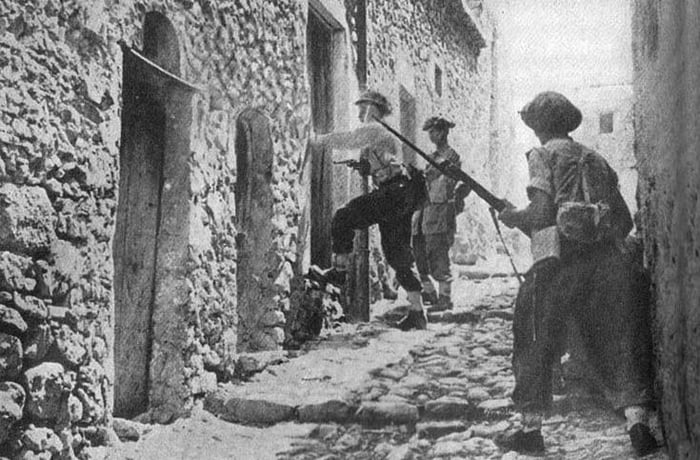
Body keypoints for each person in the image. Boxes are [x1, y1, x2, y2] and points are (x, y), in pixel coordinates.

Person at [495, 91, 658, 457]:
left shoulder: (542, 154)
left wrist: (512, 217)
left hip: (560, 263)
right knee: (621, 340)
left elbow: (540, 215)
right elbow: (624, 218)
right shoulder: (595, 158)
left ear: (538, 126)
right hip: (607, 263)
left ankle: (530, 430)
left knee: (533, 333)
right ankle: (637, 425)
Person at [306, 90, 429, 330]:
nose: (360, 112)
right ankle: (418, 312)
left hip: (392, 193)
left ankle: (339, 273)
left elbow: (349, 139)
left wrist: (317, 140)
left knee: (343, 217)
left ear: (375, 108)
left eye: (363, 107)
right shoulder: (381, 132)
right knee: (397, 253)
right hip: (399, 193)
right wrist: (364, 166)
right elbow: (383, 162)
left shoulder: (376, 128)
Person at [411, 117, 470, 310]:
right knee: (419, 251)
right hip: (424, 209)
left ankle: (445, 298)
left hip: (440, 209)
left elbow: (456, 181)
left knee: (437, 251)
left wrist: (456, 197)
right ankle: (429, 293)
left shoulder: (451, 156)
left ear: (443, 132)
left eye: (434, 131)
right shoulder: (432, 156)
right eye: (429, 132)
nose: (431, 135)